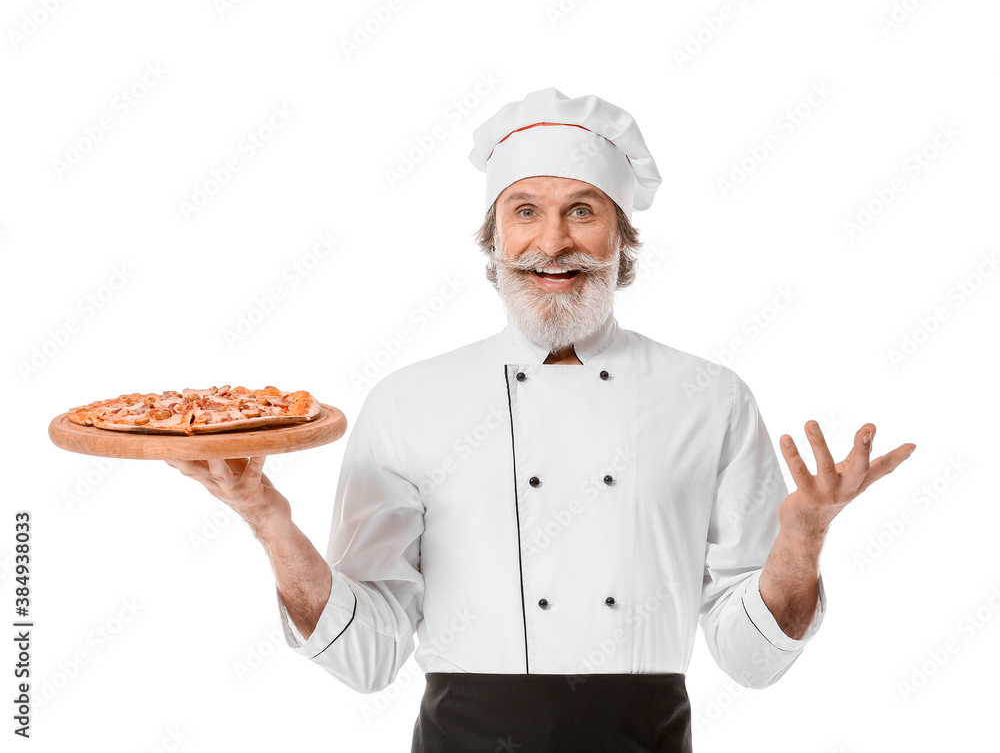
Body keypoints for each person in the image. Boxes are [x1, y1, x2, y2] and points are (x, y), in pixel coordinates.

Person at [165, 87, 916, 752]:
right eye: (525, 211)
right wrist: (268, 520)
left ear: (621, 240)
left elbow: (750, 660)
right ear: (493, 241)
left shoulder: (710, 397)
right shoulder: (409, 400)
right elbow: (367, 656)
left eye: (581, 212)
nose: (551, 242)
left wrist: (805, 539)